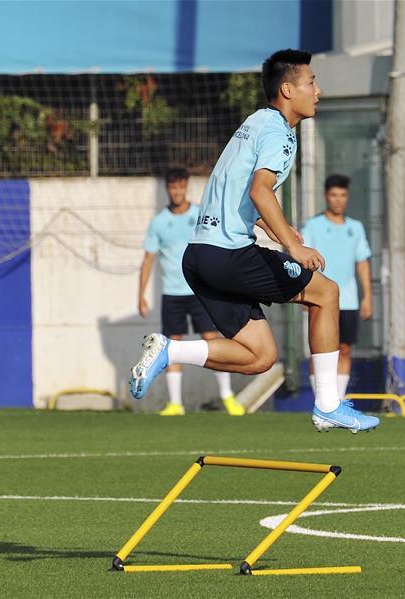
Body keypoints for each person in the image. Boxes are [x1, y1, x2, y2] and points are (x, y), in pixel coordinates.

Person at [128, 49, 379, 433]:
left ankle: (169, 350)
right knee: (326, 294)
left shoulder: (255, 122)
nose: (319, 90)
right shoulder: (280, 133)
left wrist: (277, 228)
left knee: (261, 356)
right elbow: (261, 191)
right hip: (230, 255)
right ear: (287, 89)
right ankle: (328, 404)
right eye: (311, 82)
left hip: (199, 258)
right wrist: (293, 247)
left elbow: (245, 195)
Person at [138, 168, 245, 416]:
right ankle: (176, 403)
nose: (177, 191)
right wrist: (141, 294)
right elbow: (148, 259)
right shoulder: (159, 222)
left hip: (200, 292)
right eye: (172, 187)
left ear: (186, 187)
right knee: (172, 345)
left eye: (180, 186)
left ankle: (227, 396)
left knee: (212, 338)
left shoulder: (199, 215)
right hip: (172, 294)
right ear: (168, 189)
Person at [301, 174, 373, 399]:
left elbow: (362, 263)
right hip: (320, 299)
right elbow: (302, 261)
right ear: (326, 196)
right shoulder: (312, 226)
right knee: (320, 351)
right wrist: (305, 295)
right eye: (334, 195)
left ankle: (338, 401)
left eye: (342, 195)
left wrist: (367, 297)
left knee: (344, 349)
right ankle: (321, 401)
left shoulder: (356, 228)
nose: (338, 200)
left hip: (348, 299)